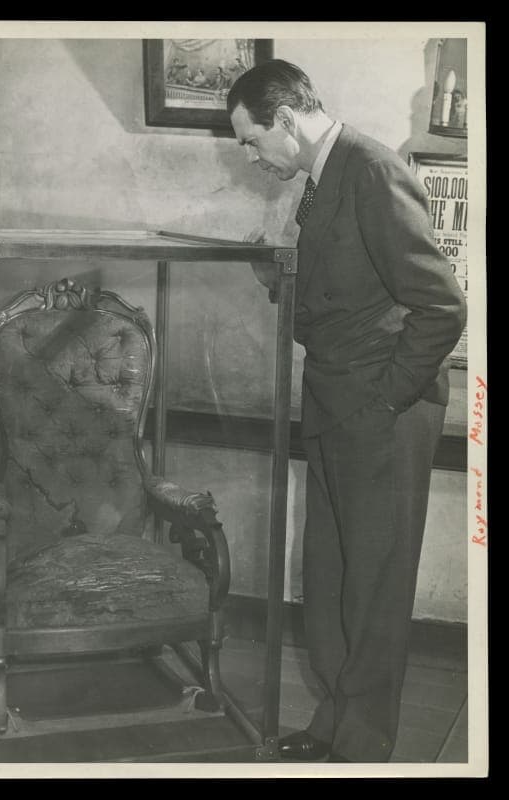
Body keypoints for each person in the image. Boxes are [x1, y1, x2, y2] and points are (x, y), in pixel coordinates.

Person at [227, 60, 467, 763]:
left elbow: (441, 307)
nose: (249, 155)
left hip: (379, 411)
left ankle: (362, 743)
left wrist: (384, 401)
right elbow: (341, 293)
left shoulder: (370, 169)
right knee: (330, 575)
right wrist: (274, 272)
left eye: (249, 140)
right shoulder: (319, 179)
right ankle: (333, 723)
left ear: (286, 121)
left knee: (373, 581)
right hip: (335, 399)